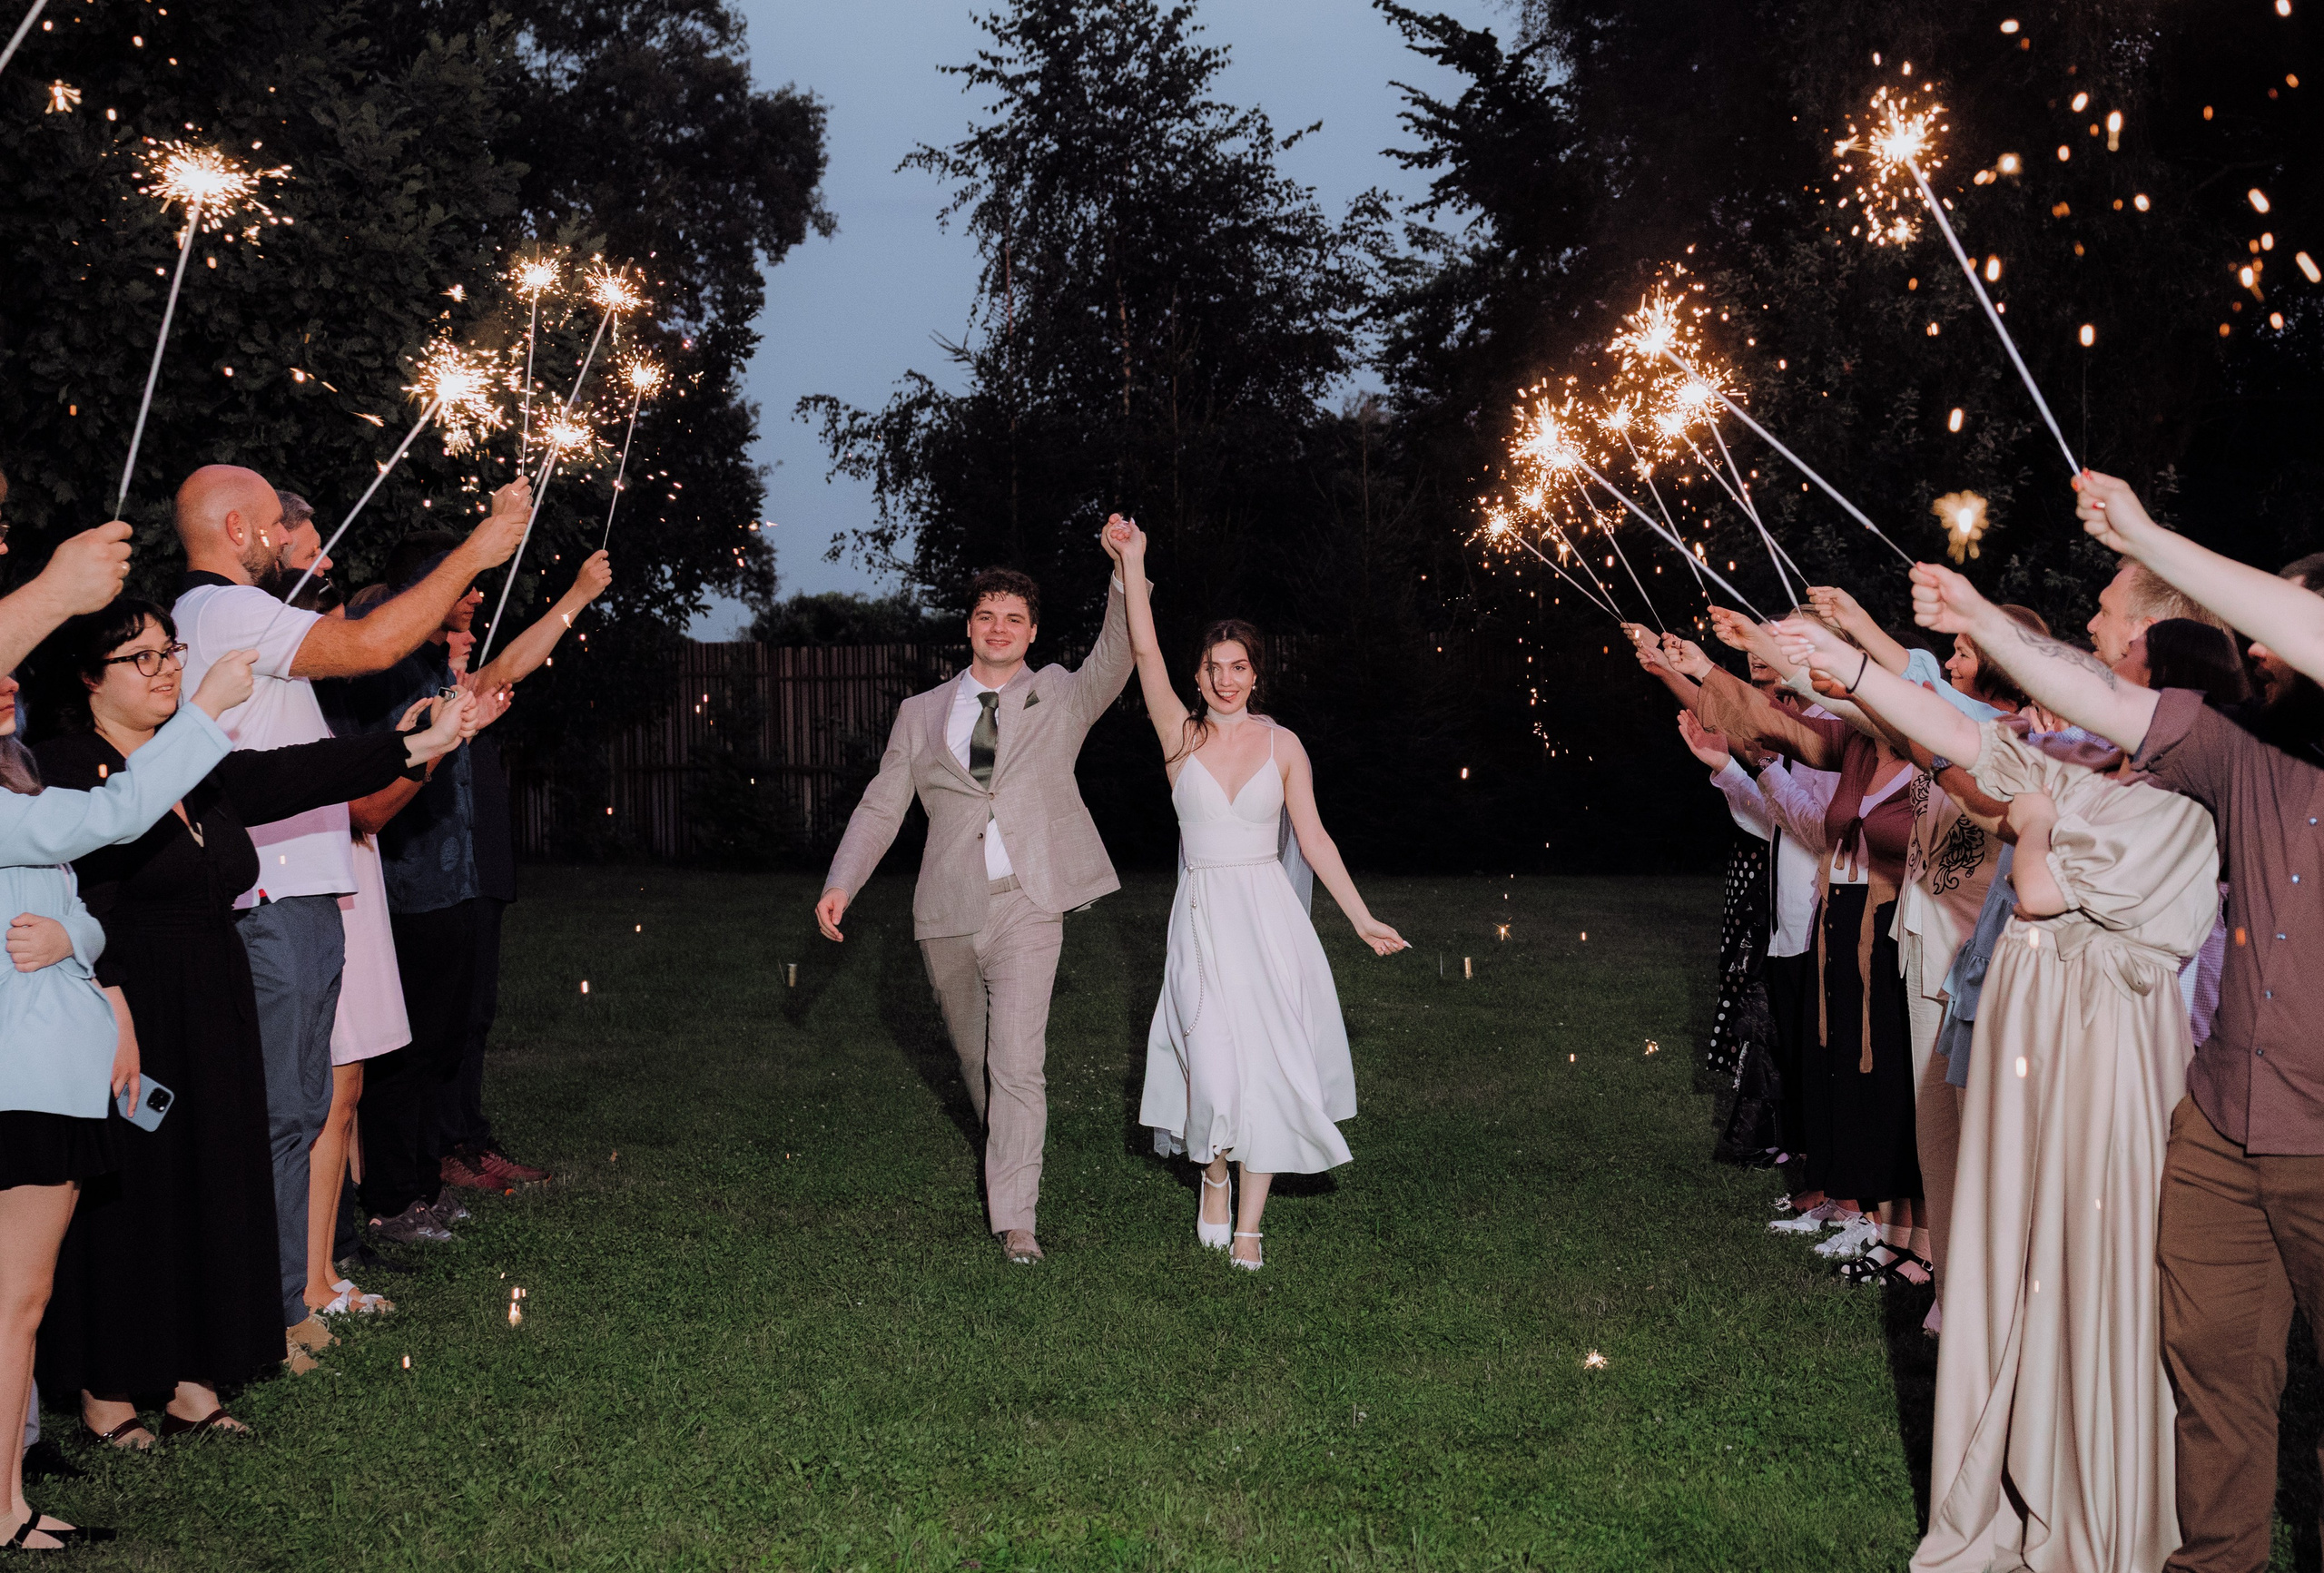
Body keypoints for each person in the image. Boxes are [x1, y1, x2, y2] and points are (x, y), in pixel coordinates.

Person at [1917, 510, 2324, 1573]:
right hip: (2227, 1130)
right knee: (2215, 1388)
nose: (2260, 649)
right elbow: (2085, 700)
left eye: (2281, 624)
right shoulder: (2240, 760)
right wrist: (1970, 622)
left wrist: (2150, 535)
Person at [1791, 575, 2222, 1573]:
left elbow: (2033, 873)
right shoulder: (2094, 767)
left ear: (2152, 647)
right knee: (2016, 1262)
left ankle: (2095, 1505)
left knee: (2086, 1269)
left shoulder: (2178, 798)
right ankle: (2016, 1476)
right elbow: (1975, 742)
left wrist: (2031, 820)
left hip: (2103, 1074)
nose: (2091, 626)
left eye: (2109, 613)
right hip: (2039, 1069)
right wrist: (1852, 667)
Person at [26, 603, 472, 1440]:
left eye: (170, 652)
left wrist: (416, 743)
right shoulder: (65, 766)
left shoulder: (195, 762)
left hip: (214, 994)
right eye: (139, 657)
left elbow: (300, 772)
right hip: (129, 1001)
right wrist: (115, 1005)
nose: (164, 668)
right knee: (136, 1194)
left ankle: (195, 1375)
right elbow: (81, 892)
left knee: (212, 1180)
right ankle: (109, 1389)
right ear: (89, 678)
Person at [169, 466, 527, 1335]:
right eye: (269, 525)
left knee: (304, 1104)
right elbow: (369, 644)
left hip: (308, 887)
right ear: (236, 526)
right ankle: (271, 1306)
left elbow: (322, 768)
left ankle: (296, 1292)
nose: (285, 543)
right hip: (268, 893)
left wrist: (415, 746)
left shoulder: (243, 617)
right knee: (280, 1110)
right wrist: (480, 548)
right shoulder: (222, 611)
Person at [815, 526, 1135, 1265]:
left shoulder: (1057, 693)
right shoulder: (921, 713)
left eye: (1015, 618)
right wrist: (842, 882)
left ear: (1032, 631)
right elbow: (880, 806)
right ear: (969, 625)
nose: (1000, 628)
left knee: (1018, 1063)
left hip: (1029, 899)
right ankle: (1005, 1151)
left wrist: (1124, 572)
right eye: (988, 615)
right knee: (977, 1062)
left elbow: (1115, 659)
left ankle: (1016, 1219)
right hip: (948, 912)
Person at [1, 644, 253, 1551]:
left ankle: (8, 1497)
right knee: (13, 1301)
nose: (10, 681)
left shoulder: (21, 796)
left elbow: (85, 904)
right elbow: (116, 815)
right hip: (19, 1078)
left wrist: (67, 931)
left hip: (50, 1075)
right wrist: (208, 709)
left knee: (19, 1301)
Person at [1117, 527, 1406, 1270]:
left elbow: (1314, 841)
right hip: (1204, 920)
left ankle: (1250, 1224)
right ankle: (1212, 1171)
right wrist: (1133, 561)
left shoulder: (1284, 746)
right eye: (1213, 668)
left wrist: (1360, 915)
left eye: (1237, 667)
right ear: (1199, 674)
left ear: (1257, 675)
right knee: (1211, 1066)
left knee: (1272, 1068)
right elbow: (1143, 655)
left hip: (1269, 922)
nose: (1225, 679)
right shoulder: (1178, 737)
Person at [319, 538, 604, 1242]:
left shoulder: (433, 671)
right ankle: (391, 1197)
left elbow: (507, 669)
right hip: (404, 883)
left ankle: (423, 1183)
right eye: (463, 584)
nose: (475, 595)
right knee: (400, 1051)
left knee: (441, 1042)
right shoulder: (384, 670)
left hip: (454, 885)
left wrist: (576, 598)